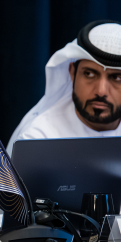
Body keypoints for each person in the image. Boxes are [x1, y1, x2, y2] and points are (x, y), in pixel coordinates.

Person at [9, 20, 121, 154]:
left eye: (117, 78)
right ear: (72, 72)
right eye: (89, 74)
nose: (101, 91)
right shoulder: (38, 140)